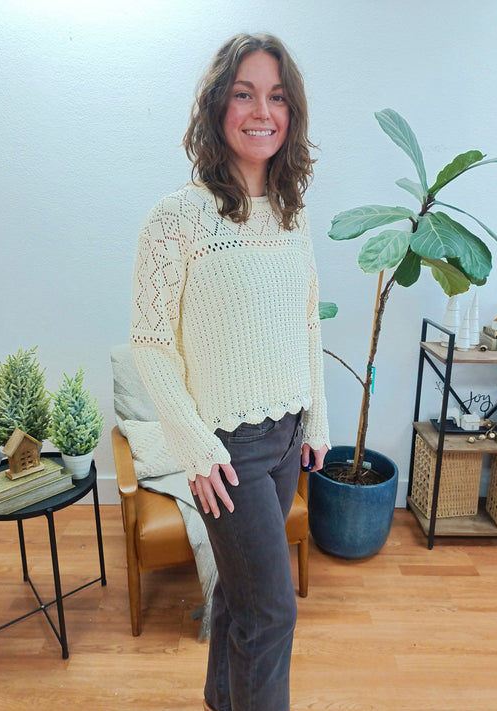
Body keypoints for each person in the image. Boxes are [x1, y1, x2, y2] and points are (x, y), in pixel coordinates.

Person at [130, 32, 330, 711]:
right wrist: (195, 447)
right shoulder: (176, 219)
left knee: (241, 597)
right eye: (244, 94)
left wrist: (317, 421)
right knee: (271, 613)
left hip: (286, 438)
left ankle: (221, 698)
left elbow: (307, 323)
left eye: (276, 96)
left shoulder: (292, 214)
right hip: (228, 451)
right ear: (218, 105)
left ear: (291, 112)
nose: (261, 111)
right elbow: (151, 344)